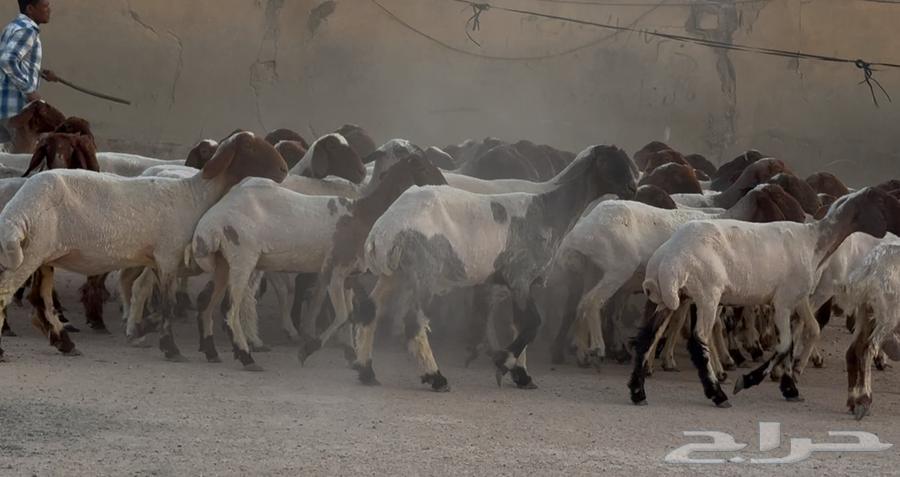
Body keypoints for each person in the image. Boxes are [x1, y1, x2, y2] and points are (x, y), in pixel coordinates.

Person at [0, 0, 57, 142]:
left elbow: (13, 60)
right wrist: (29, 91)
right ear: (30, 9)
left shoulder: (12, 27)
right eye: (45, 6)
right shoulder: (27, 30)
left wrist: (39, 70)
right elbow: (7, 60)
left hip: (5, 107)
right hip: (16, 109)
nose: (49, 10)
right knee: (18, 159)